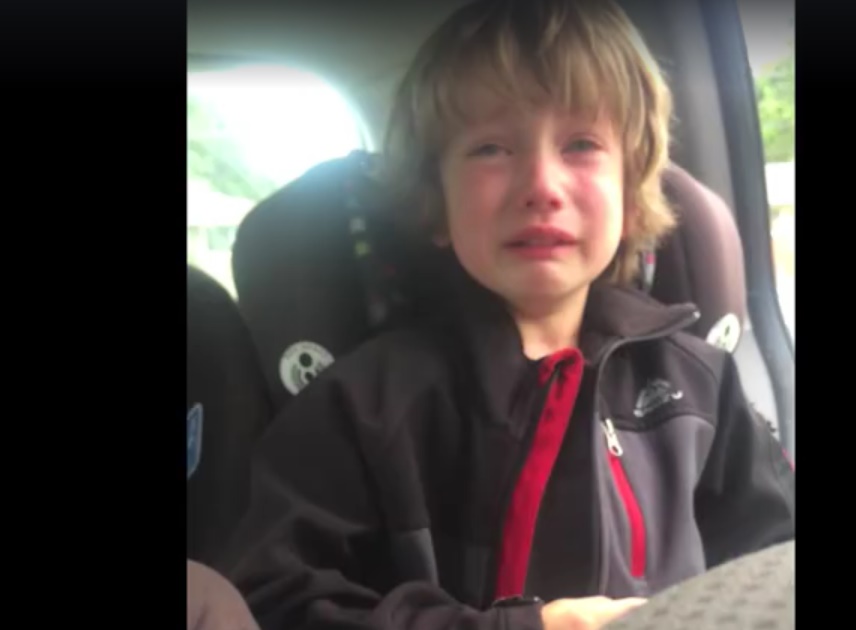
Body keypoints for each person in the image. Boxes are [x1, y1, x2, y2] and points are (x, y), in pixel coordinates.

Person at [222, 1, 796, 629]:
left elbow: (774, 566)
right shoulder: (367, 404)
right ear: (437, 204)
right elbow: (274, 597)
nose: (540, 184)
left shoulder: (699, 383)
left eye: (581, 144)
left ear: (631, 199)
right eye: (491, 148)